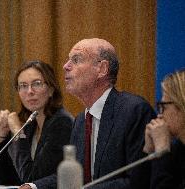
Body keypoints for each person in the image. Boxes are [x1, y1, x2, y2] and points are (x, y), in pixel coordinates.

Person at [63, 38, 156, 189]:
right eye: (68, 60)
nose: (66, 66)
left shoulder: (134, 111)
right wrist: (32, 186)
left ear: (102, 69)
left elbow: (139, 181)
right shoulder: (81, 120)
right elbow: (74, 179)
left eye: (76, 59)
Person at [0, 60, 73, 189]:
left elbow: (33, 180)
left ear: (51, 89)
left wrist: (18, 133)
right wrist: (1, 135)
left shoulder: (61, 123)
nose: (29, 91)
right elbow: (3, 177)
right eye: (23, 86)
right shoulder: (31, 125)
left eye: (36, 84)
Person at [143, 69, 185, 189]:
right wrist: (149, 152)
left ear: (181, 105)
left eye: (163, 107)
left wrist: (161, 152)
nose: (160, 115)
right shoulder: (178, 149)